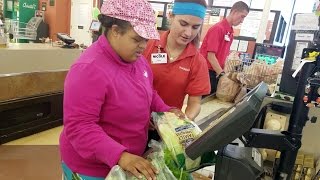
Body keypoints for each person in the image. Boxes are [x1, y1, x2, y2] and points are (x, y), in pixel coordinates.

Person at [59, 0, 184, 180]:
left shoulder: (137, 60)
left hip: (129, 161)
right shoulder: (89, 69)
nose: (143, 45)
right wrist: (121, 156)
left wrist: (165, 111)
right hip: (93, 169)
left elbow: (148, 92)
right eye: (136, 39)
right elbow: (80, 127)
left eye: (146, 39)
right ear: (115, 31)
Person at [143, 0, 210, 121]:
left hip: (168, 125)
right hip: (135, 119)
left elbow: (195, 102)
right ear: (170, 16)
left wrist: (185, 120)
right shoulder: (147, 45)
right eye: (183, 24)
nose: (188, 33)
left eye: (195, 27)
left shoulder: (198, 61)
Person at [200, 1, 249, 95]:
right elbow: (211, 56)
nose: (242, 20)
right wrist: (222, 75)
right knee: (205, 102)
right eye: (242, 16)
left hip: (216, 73)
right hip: (207, 73)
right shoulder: (218, 29)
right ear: (234, 12)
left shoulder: (230, 32)